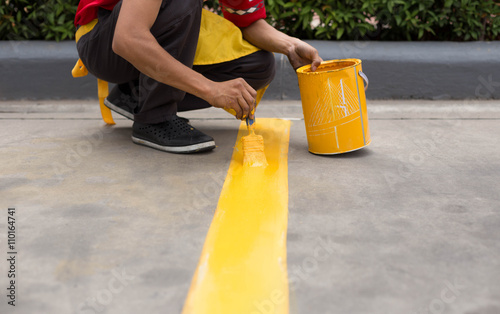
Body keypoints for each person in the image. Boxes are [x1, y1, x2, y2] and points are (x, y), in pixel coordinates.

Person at [75, 0, 322, 153]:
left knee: (257, 65)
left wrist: (290, 45)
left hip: (145, 29)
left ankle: (136, 92)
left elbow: (247, 22)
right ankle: (154, 117)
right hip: (102, 41)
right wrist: (211, 90)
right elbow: (127, 39)